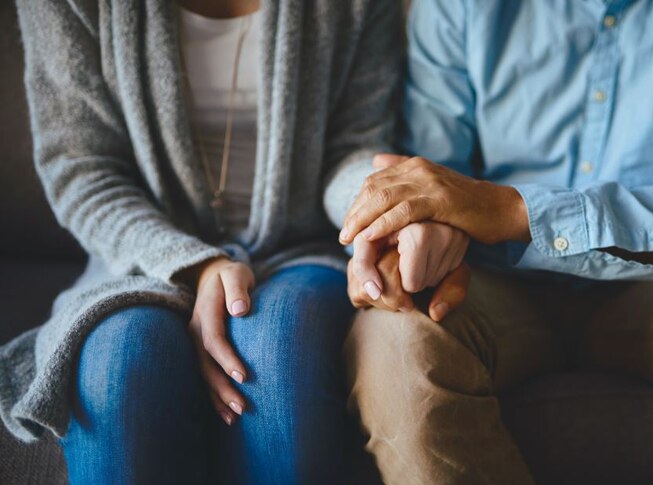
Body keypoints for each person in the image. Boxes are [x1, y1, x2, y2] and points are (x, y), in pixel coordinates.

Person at [331, 0, 653, 483]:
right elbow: (429, 174)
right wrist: (418, 238)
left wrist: (515, 211)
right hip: (492, 286)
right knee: (393, 342)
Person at [0, 0, 401, 483]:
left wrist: (380, 203)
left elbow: (353, 148)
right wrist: (196, 264)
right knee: (122, 364)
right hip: (140, 254)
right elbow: (82, 171)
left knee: (280, 354)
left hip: (299, 247)